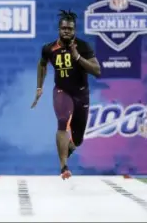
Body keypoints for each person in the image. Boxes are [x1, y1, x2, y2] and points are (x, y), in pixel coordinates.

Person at [31, 10, 101, 180]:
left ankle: (66, 150)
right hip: (62, 90)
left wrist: (78, 57)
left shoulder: (83, 47)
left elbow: (97, 71)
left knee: (78, 139)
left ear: (74, 31)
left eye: (70, 29)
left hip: (81, 94)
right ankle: (64, 167)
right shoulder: (49, 48)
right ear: (59, 30)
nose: (66, 32)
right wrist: (39, 88)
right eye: (64, 29)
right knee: (62, 120)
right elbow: (42, 65)